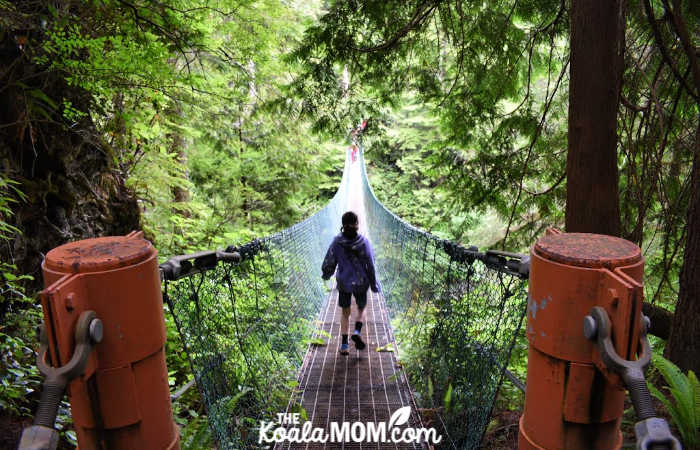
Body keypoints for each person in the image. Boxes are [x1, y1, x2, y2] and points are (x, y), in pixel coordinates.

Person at [321, 211, 379, 354]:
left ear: (342, 225)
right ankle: (357, 331)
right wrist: (373, 283)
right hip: (361, 281)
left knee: (345, 312)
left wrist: (326, 274)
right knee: (362, 307)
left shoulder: (337, 241)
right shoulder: (364, 242)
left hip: (344, 282)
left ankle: (344, 345)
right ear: (357, 224)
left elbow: (330, 260)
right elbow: (370, 264)